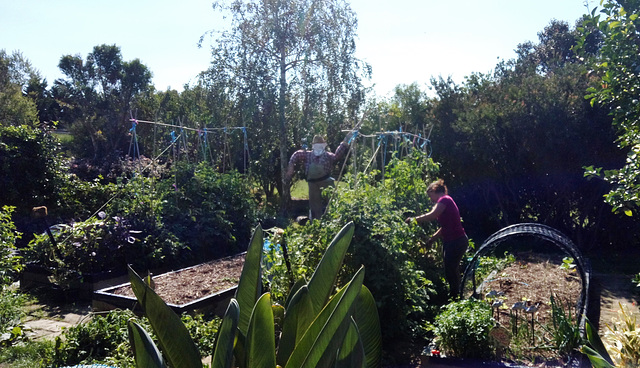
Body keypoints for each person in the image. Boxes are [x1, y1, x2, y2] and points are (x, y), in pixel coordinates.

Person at [405, 179, 468, 299]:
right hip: (455, 240)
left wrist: (413, 220)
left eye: (430, 196)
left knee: (451, 270)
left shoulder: (444, 199)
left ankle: (456, 297)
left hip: (456, 241)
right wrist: (432, 239)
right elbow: (445, 227)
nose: (430, 200)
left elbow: (432, 215)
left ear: (434, 191)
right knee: (451, 269)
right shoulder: (446, 201)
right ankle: (457, 295)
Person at [285, 132, 354, 220]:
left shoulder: (328, 155)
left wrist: (345, 142)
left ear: (323, 145)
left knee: (332, 201)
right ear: (313, 146)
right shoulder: (307, 154)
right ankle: (316, 223)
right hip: (313, 184)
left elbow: (337, 156)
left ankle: (334, 221)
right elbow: (296, 155)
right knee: (314, 206)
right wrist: (291, 165)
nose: (318, 147)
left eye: (320, 145)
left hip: (326, 181)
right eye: (316, 145)